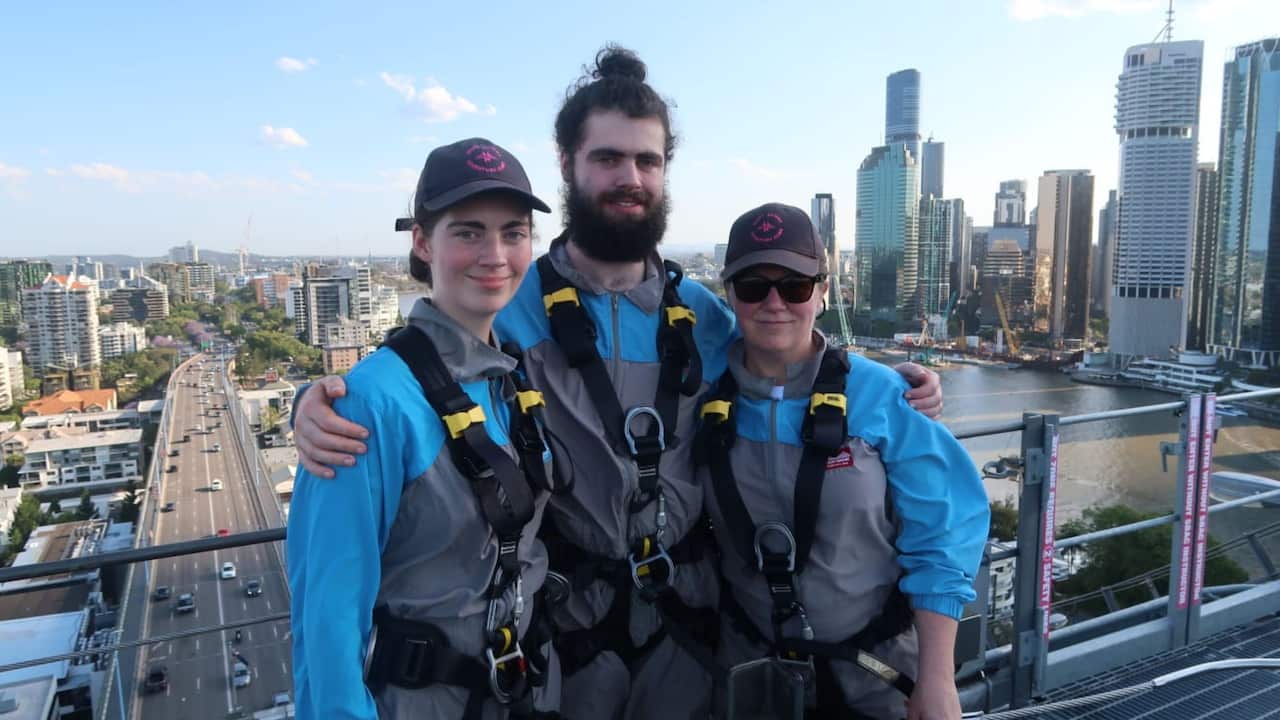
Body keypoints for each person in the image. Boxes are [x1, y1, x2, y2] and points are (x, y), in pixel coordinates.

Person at [290, 46, 945, 720]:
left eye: (647, 161)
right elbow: (424, 370)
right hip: (568, 642)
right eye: (607, 158)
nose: (628, 178)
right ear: (569, 164)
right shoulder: (509, 304)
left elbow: (791, 358)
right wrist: (315, 403)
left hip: (687, 637)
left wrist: (897, 388)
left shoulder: (709, 316)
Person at [286, 138, 564, 720]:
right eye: (468, 232)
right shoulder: (366, 406)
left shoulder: (509, 375)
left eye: (513, 233)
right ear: (421, 241)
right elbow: (329, 619)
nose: (495, 254)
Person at [698, 203, 988, 720]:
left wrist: (938, 680)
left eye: (794, 286)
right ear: (728, 297)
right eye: (751, 286)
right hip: (751, 677)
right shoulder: (701, 393)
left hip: (875, 677)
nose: (773, 303)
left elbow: (942, 532)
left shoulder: (880, 397)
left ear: (825, 291)